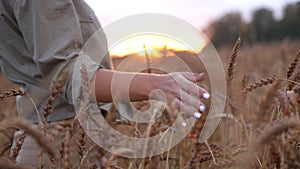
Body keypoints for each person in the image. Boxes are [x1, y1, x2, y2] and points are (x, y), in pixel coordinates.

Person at [0, 0, 209, 167]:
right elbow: (67, 75)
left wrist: (96, 145)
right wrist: (158, 85)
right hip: (59, 144)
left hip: (73, 141)